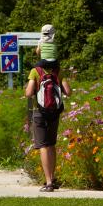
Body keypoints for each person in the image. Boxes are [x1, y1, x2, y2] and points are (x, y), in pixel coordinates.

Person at [25, 60, 71, 192]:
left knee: (43, 146)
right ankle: (53, 178)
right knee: (51, 145)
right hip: (54, 113)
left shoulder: (36, 71)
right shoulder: (58, 72)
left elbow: (28, 93)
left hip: (40, 112)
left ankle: (48, 182)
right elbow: (68, 92)